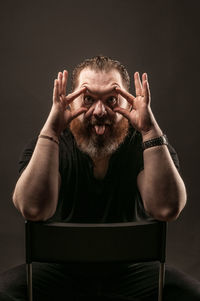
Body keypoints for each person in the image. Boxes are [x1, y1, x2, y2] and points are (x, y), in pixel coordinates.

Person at [0, 56, 199, 300]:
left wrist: (149, 130)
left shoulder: (147, 145)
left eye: (111, 100)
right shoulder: (48, 147)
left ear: (127, 103)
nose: (100, 111)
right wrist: (51, 131)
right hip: (58, 271)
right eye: (88, 99)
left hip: (134, 271)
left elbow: (167, 209)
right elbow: (33, 209)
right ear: (71, 102)